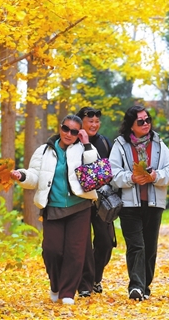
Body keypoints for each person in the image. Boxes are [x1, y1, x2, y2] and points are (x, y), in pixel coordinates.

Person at [10, 115, 99, 305]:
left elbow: (95, 170)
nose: (69, 134)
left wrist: (86, 143)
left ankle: (67, 293)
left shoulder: (85, 148)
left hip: (80, 206)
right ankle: (56, 285)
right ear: (60, 128)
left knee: (75, 252)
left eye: (74, 131)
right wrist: (22, 176)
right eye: (66, 129)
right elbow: (34, 175)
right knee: (52, 250)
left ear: (79, 133)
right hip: (53, 207)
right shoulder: (44, 150)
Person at [109, 106, 169, 301]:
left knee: (150, 247)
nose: (146, 124)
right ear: (131, 125)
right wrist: (131, 178)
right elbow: (113, 174)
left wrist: (156, 176)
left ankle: (145, 285)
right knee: (136, 246)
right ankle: (136, 286)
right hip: (129, 205)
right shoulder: (120, 145)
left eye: (147, 120)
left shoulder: (158, 143)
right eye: (140, 121)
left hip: (154, 203)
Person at [76, 107, 115, 297]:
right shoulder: (72, 142)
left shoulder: (105, 142)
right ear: (80, 122)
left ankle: (95, 277)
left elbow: (113, 169)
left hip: (102, 201)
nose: (94, 124)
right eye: (90, 121)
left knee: (106, 242)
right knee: (82, 244)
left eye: (97, 121)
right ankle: (85, 283)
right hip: (79, 201)